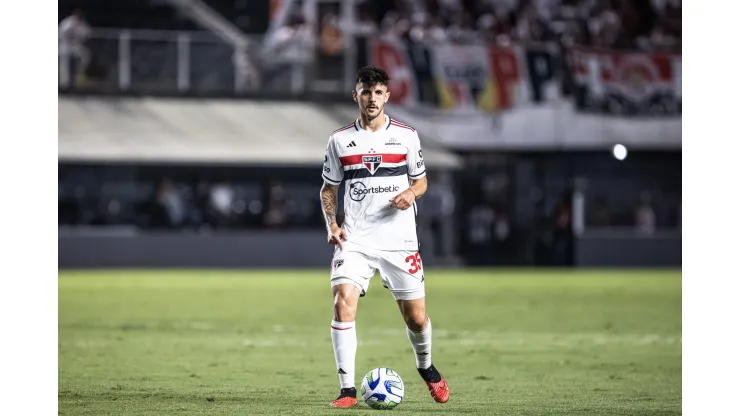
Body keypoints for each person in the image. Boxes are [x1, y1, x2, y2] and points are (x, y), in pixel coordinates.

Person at [319, 66, 450, 408]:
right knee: (341, 301)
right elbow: (328, 189)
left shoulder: (406, 136)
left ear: (387, 96)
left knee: (416, 319)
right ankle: (347, 390)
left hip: (399, 240)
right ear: (356, 95)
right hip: (356, 240)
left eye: (378, 92)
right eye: (365, 91)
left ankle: (426, 367)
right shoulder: (339, 140)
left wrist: (411, 193)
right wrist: (332, 224)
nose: (372, 98)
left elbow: (421, 181)